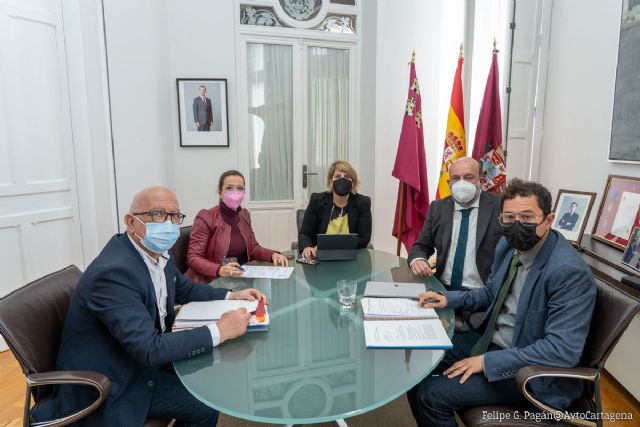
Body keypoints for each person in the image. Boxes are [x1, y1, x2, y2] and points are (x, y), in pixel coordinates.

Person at [33, 187, 268, 426]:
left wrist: (231, 295)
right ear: (130, 222)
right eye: (157, 214)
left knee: (210, 375)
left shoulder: (155, 254)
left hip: (136, 361)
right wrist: (221, 329)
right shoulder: (114, 273)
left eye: (175, 216)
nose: (169, 224)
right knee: (204, 404)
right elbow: (149, 349)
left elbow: (184, 289)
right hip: (114, 382)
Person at [408, 179, 597, 427]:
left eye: (527, 217)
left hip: (529, 370)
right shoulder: (508, 245)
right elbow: (490, 293)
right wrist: (447, 298)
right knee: (416, 364)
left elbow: (561, 350)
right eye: (509, 217)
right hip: (490, 341)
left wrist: (486, 363)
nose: (517, 225)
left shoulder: (567, 272)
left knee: (432, 395)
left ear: (549, 220)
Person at [408, 157, 502, 290]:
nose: (461, 183)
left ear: (480, 181)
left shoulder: (500, 206)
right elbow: (421, 246)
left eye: (469, 177)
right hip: (443, 288)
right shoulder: (438, 208)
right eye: (456, 178)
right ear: (449, 182)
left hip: (482, 292)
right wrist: (418, 260)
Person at [185, 170, 288, 282]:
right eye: (229, 188)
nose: (235, 193)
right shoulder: (206, 217)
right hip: (211, 281)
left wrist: (272, 254)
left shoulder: (244, 215)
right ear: (220, 192)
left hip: (238, 277)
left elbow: (253, 248)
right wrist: (219, 269)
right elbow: (193, 258)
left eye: (239, 188)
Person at [298, 160, 372, 259]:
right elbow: (305, 233)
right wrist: (306, 247)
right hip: (320, 257)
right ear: (330, 182)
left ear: (353, 183)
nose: (342, 180)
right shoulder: (317, 200)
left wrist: (327, 246)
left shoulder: (363, 203)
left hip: (351, 256)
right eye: (337, 176)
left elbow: (364, 239)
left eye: (346, 177)